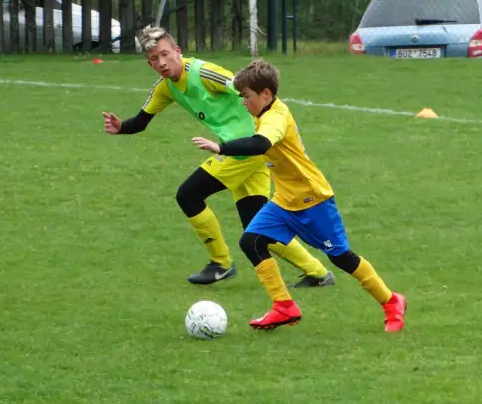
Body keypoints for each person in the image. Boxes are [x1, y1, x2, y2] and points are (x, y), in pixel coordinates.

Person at [102, 25, 333, 288]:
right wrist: (121, 127)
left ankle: (220, 263)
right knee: (255, 225)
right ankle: (317, 272)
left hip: (248, 148)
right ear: (149, 64)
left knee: (188, 194)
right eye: (154, 59)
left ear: (177, 51)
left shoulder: (203, 73)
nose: (162, 63)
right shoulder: (165, 88)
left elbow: (246, 88)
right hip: (245, 150)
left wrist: (273, 124)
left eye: (165, 54)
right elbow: (141, 121)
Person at [191, 59, 407, 332]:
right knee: (251, 241)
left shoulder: (276, 117)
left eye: (247, 96)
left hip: (312, 199)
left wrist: (221, 148)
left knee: (341, 257)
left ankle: (391, 302)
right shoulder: (261, 112)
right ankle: (284, 306)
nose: (243, 102)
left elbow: (260, 144)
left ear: (266, 95)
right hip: (284, 199)